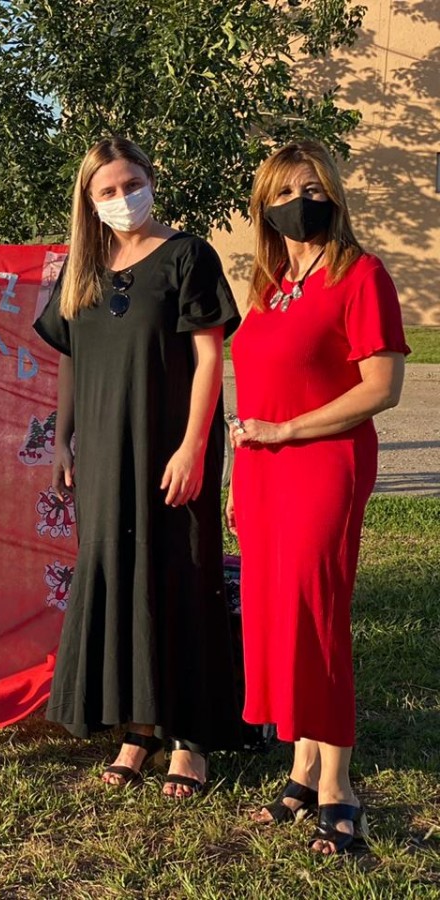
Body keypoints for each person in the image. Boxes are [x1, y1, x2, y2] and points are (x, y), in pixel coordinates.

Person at [33, 137, 242, 798]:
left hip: (171, 452)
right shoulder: (82, 267)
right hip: (101, 454)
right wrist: (63, 440)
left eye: (132, 184)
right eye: (108, 191)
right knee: (118, 583)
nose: (124, 199)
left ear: (152, 180)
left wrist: (193, 447)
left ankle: (192, 738)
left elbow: (210, 359)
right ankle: (137, 728)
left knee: (180, 576)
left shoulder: (190, 256)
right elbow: (69, 355)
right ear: (89, 203)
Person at [228, 141, 408, 855]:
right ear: (264, 207)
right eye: (285, 190)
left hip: (322, 465)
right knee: (276, 617)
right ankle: (300, 766)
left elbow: (381, 387)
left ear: (333, 194)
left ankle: (339, 784)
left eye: (314, 186)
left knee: (316, 613)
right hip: (263, 473)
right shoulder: (269, 286)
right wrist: (245, 474)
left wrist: (289, 430)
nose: (302, 200)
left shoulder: (361, 275)